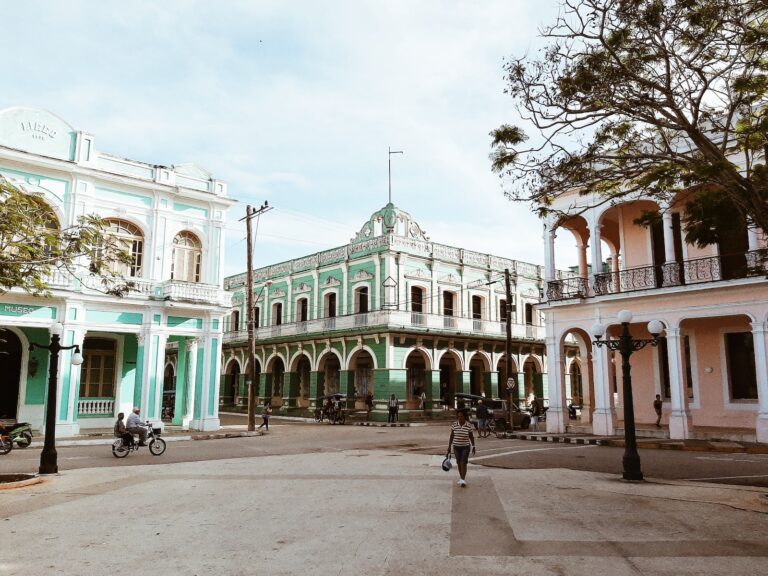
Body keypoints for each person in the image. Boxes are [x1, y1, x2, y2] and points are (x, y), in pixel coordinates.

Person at [447, 409, 475, 487]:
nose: (460, 418)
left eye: (461, 416)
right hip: (456, 447)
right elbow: (451, 436)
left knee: (463, 463)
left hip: (465, 447)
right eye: (458, 416)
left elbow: (471, 436)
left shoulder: (468, 425)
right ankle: (461, 478)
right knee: (459, 463)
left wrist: (473, 446)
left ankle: (463, 480)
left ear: (464, 417)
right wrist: (449, 447)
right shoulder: (454, 425)